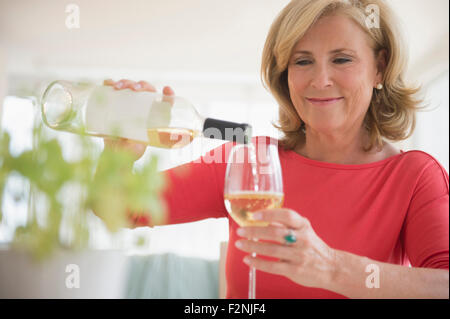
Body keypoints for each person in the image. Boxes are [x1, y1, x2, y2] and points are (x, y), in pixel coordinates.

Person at [100, 0, 449, 298]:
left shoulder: (415, 176)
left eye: (342, 59)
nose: (320, 79)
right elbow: (117, 209)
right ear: (285, 74)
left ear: (380, 68)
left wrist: (331, 268)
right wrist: (120, 151)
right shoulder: (250, 161)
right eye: (302, 61)